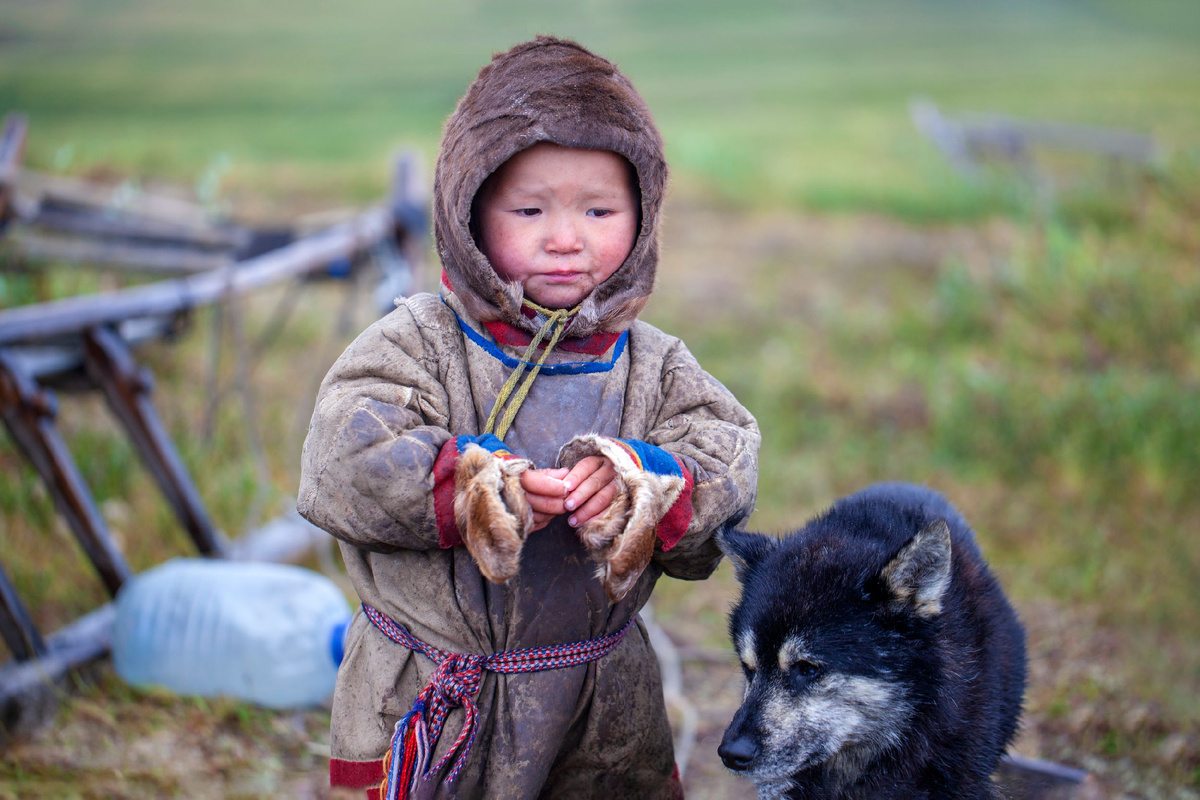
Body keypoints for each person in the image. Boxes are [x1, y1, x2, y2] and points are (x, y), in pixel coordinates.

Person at [298, 36, 759, 800]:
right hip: (437, 690)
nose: (566, 238)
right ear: (470, 213)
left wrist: (645, 487)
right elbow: (339, 459)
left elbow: (726, 462)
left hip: (602, 706)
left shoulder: (656, 365)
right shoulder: (418, 343)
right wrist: (470, 485)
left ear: (643, 216)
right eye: (529, 209)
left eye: (599, 210)